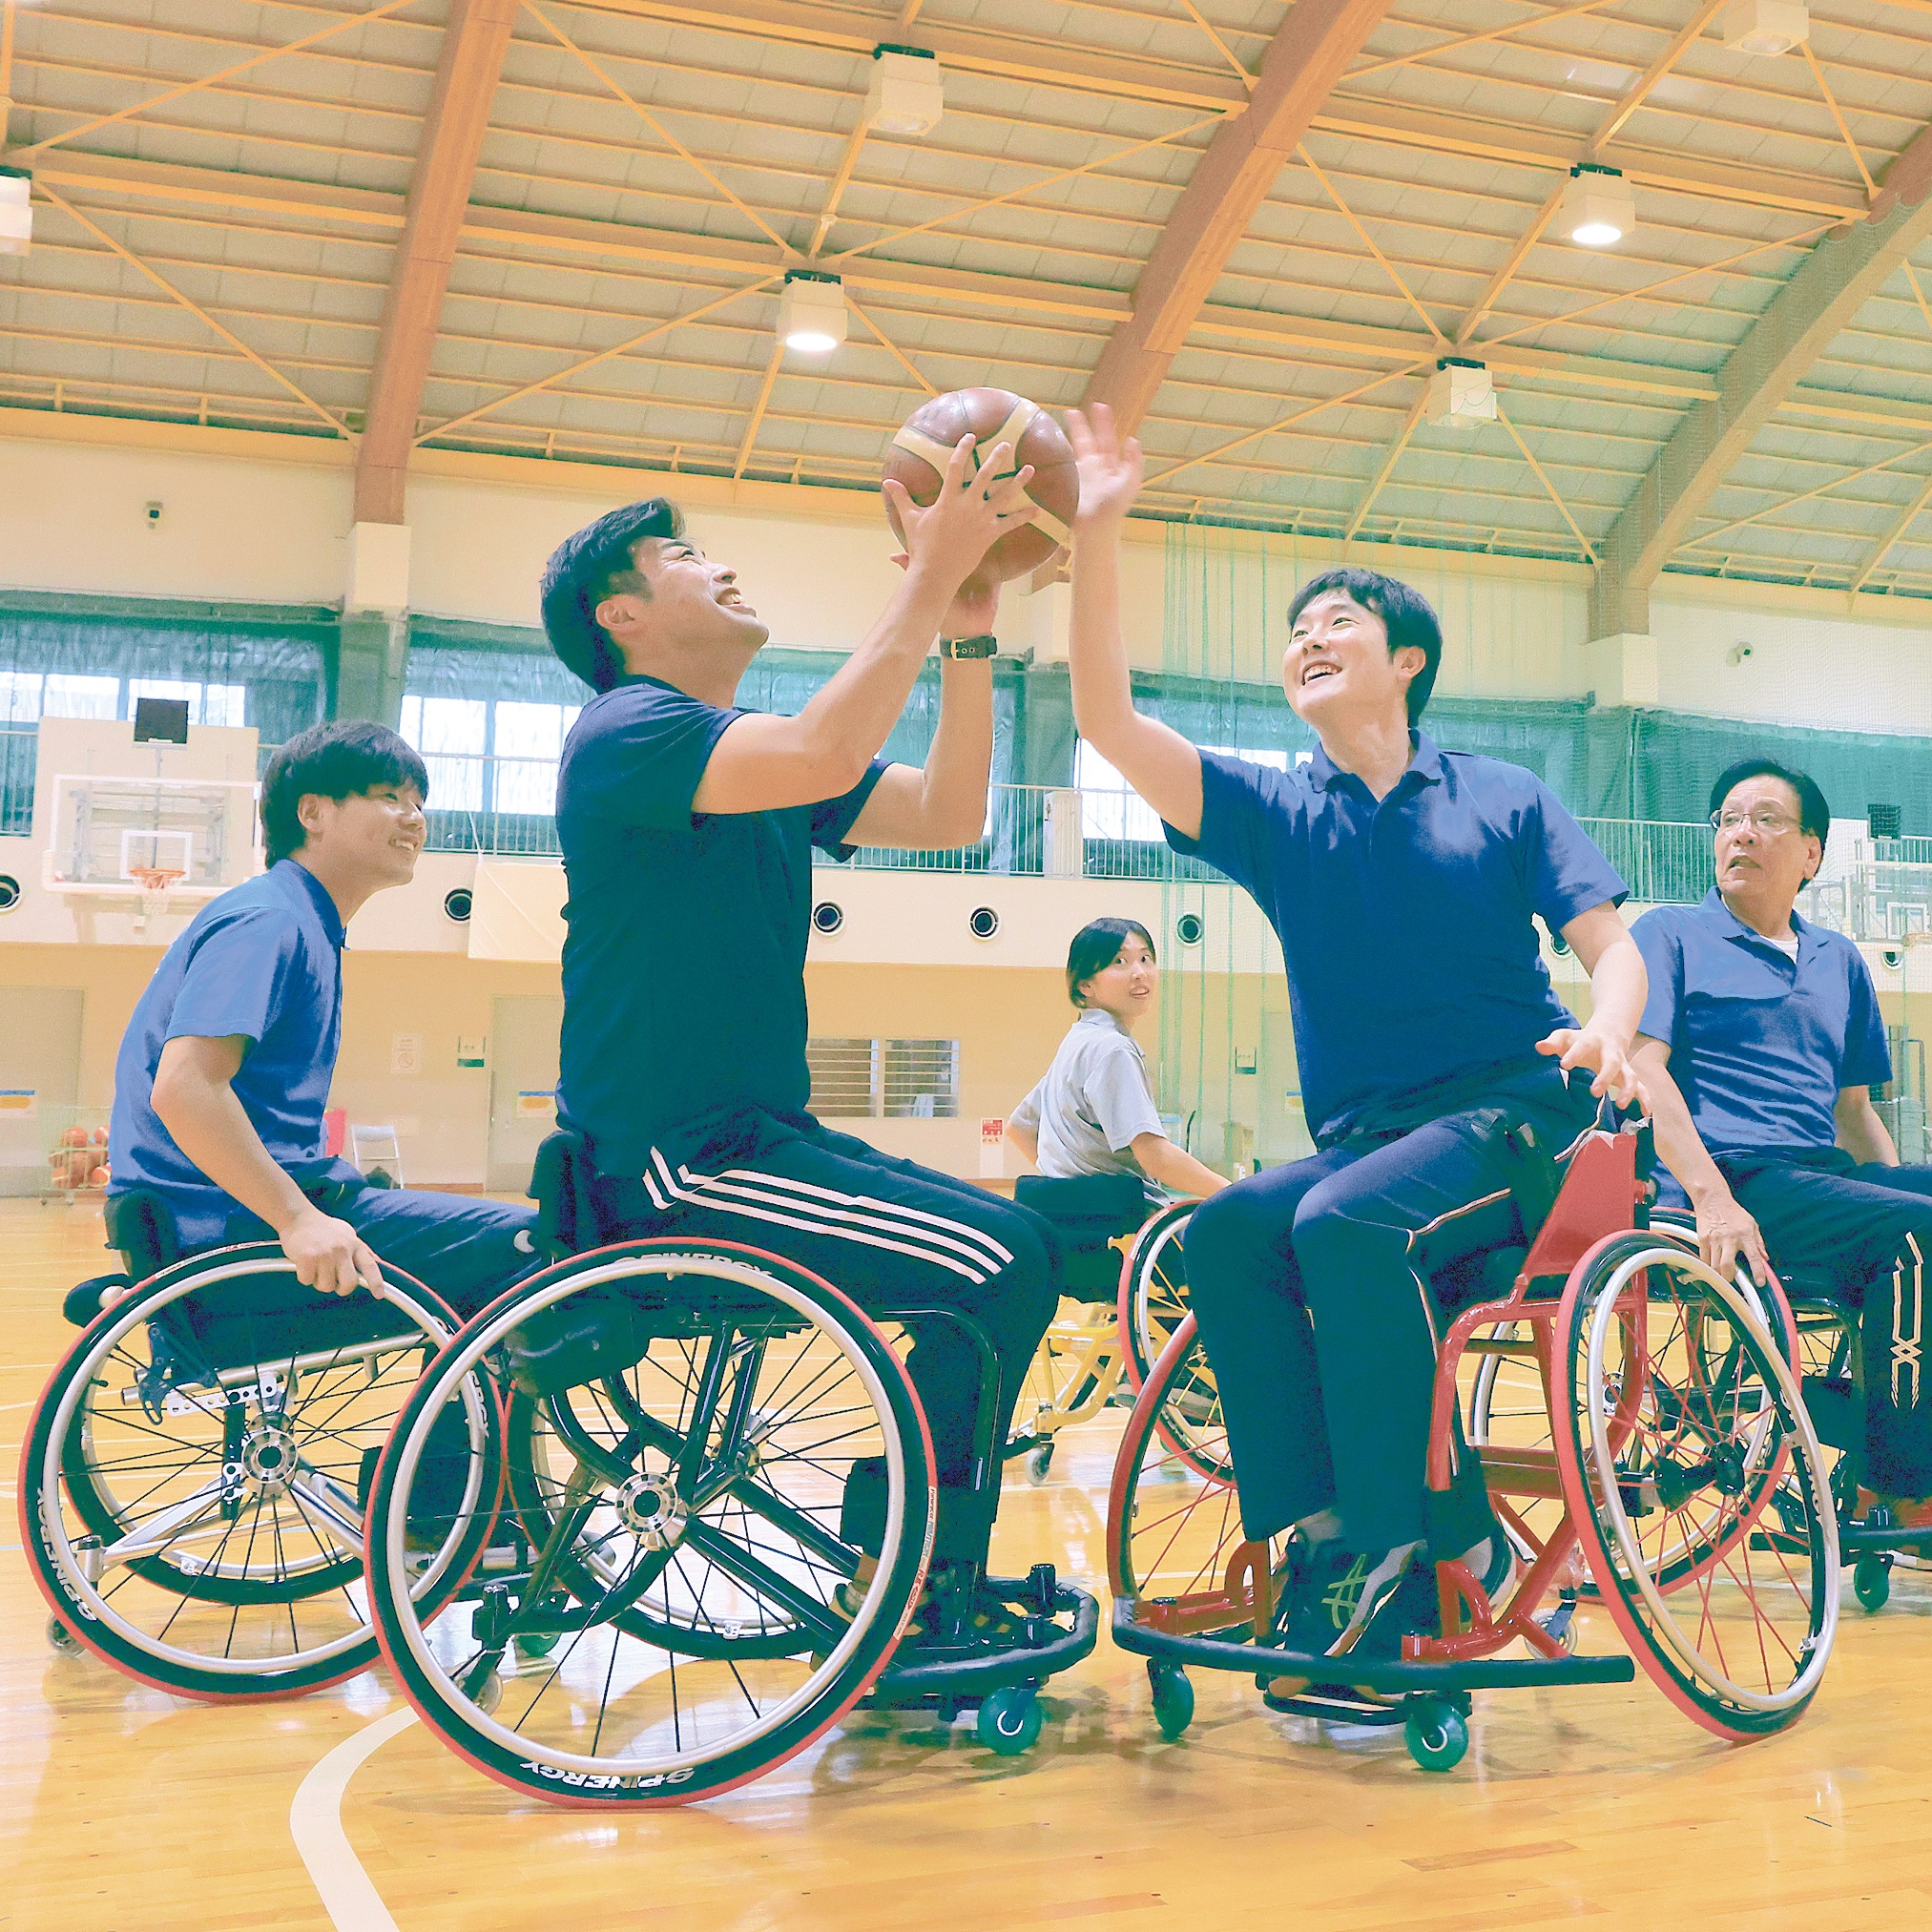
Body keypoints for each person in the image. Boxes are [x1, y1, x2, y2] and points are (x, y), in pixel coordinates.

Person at [1061, 403, 1648, 1680]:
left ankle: (1421, 1542)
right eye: (1296, 632)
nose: (1308, 640)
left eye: (1337, 623)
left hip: (1521, 1121)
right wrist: (1099, 529)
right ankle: (1327, 1531)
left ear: (1407, 662)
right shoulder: (1277, 812)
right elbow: (1107, 721)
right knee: (1225, 1229)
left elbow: (1613, 945)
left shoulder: (1501, 794)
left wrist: (1609, 1026)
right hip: (1374, 1142)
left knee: (1343, 1223)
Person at [538, 437, 1058, 1590]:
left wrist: (970, 630)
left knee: (1024, 1246)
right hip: (673, 1161)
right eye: (685, 557)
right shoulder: (627, 729)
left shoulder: (755, 755)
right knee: (995, 1266)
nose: (720, 567)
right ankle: (916, 1575)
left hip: (759, 1138)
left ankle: (906, 1558)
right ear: (621, 615)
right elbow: (829, 745)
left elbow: (952, 814)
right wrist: (931, 569)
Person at [108, 720, 539, 1314]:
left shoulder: (302, 920)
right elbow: (184, 1087)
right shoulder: (269, 920)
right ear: (312, 813)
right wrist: (297, 1219)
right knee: (537, 1247)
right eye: (389, 796)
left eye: (418, 802)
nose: (415, 818)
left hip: (237, 1208)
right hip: (226, 1224)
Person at [1631, 758, 1932, 1522]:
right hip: (1725, 1178)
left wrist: (1890, 1194)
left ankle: (1878, 1418)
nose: (1741, 833)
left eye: (1764, 819)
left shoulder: (1839, 959)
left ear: (1810, 852)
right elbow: (1641, 1070)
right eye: (1728, 819)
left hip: (1816, 1176)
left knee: (1914, 1224)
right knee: (1916, 1231)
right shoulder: (1667, 933)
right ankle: (1898, 1488)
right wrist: (1710, 1197)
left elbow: (1852, 1112)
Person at [1007, 917, 1227, 1200]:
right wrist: (1235, 1192)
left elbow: (1020, 1128)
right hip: (1124, 1218)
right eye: (1120, 962)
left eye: (1145, 959)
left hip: (1080, 1218)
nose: (1140, 973)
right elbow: (1156, 1156)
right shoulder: (1112, 1048)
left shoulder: (1077, 1041)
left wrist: (1065, 1190)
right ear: (1085, 985)